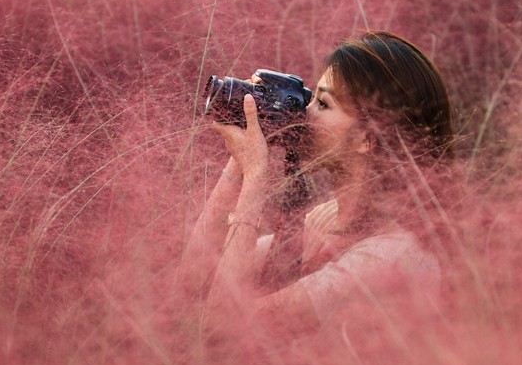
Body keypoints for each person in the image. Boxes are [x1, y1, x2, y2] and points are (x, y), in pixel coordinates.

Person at [182, 31, 455, 338]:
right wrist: (245, 149)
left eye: (322, 104)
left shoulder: (389, 258)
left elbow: (220, 328)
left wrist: (256, 173)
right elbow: (195, 276)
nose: (303, 115)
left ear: (367, 139)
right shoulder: (327, 220)